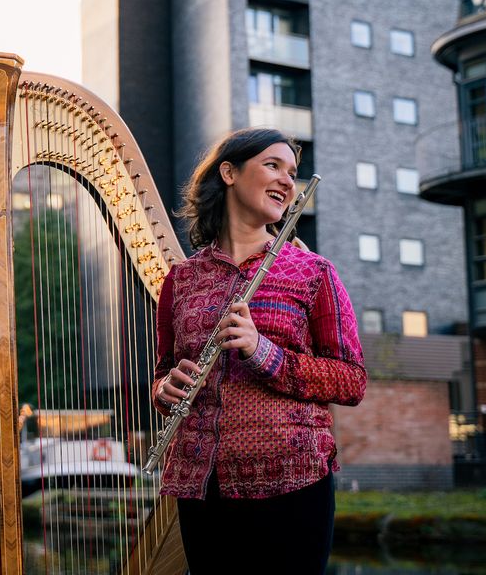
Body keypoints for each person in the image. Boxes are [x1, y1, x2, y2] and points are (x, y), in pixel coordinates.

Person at [151, 128, 365, 574]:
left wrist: (262, 352)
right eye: (273, 165)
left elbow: (351, 380)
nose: (288, 181)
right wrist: (164, 388)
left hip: (292, 481)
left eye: (293, 173)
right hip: (201, 485)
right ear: (228, 172)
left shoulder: (313, 271)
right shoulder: (182, 281)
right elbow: (165, 372)